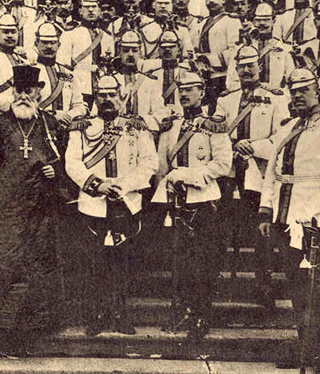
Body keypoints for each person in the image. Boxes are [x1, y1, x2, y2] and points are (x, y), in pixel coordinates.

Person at [258, 68, 320, 372]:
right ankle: (305, 347)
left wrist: (312, 209)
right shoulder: (288, 127)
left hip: (316, 220)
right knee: (297, 287)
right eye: (294, 91)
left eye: (304, 90)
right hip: (286, 217)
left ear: (318, 92)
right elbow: (273, 172)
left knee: (317, 288)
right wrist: (266, 210)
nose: (298, 95)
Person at [0, 64, 68, 354]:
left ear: (39, 93)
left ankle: (27, 332)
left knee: (36, 268)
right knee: (4, 267)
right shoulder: (0, 125)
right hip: (7, 209)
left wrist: (55, 171)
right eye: (19, 91)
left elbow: (63, 159)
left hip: (40, 208)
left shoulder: (49, 124)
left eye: (29, 91)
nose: (24, 96)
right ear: (12, 92)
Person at [65, 74, 158, 336]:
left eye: (112, 94)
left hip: (126, 201)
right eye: (102, 95)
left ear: (121, 95)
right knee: (95, 263)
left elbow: (149, 162)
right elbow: (72, 163)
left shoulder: (136, 126)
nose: (107, 100)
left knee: (123, 261)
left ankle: (120, 314)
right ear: (95, 98)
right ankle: (97, 315)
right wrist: (98, 185)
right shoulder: (81, 127)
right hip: (93, 203)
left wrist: (124, 186)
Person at [151, 70, 232, 341]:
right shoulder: (170, 125)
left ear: (202, 92)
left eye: (191, 89)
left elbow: (222, 164)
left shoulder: (213, 124)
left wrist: (188, 176)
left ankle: (201, 315)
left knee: (203, 263)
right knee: (179, 260)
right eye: (181, 90)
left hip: (203, 199)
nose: (185, 94)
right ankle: (182, 310)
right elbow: (162, 163)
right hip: (174, 200)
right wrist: (166, 187)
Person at [217, 45, 290, 308]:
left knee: (262, 233)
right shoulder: (225, 100)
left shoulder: (276, 98)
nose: (247, 70)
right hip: (228, 173)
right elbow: (216, 134)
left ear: (260, 66)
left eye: (251, 65)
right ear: (235, 70)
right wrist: (233, 148)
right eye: (242, 66)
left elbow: (281, 138)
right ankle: (219, 284)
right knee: (221, 228)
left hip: (258, 174)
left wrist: (254, 147)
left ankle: (264, 285)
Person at [225, 0, 295, 91]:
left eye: (266, 19)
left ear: (274, 21)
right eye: (258, 20)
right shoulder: (241, 49)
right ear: (253, 21)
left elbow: (291, 81)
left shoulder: (284, 49)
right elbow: (231, 81)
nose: (262, 23)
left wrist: (280, 97)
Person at [193, 0, 241, 110]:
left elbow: (235, 51)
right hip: (204, 78)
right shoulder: (201, 23)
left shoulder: (232, 21)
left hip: (222, 77)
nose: (211, 1)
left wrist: (210, 59)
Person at [58, 0, 115, 108]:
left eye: (94, 6)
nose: (90, 10)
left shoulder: (107, 37)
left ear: (99, 10)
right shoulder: (70, 34)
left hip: (103, 88)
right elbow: (64, 65)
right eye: (86, 7)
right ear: (80, 10)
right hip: (80, 86)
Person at [107, 30, 169, 133]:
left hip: (143, 136)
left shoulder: (149, 82)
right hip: (117, 137)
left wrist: (144, 120)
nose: (130, 54)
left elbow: (161, 112)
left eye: (134, 50)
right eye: (126, 50)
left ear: (140, 52)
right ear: (119, 52)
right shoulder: (111, 81)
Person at [32, 21, 88, 125]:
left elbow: (80, 105)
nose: (49, 46)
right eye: (44, 42)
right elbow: (24, 106)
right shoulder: (30, 72)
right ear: (36, 44)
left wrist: (69, 115)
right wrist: (52, 115)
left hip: (65, 129)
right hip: (38, 128)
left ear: (59, 45)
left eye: (53, 43)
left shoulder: (67, 73)